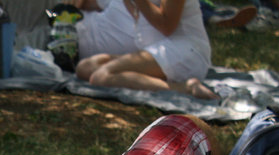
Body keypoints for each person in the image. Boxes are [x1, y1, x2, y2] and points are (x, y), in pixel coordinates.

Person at [71, 0, 217, 99]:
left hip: (186, 51)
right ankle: (155, 80)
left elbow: (167, 26)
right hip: (160, 49)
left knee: (100, 77)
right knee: (85, 67)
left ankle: (184, 88)